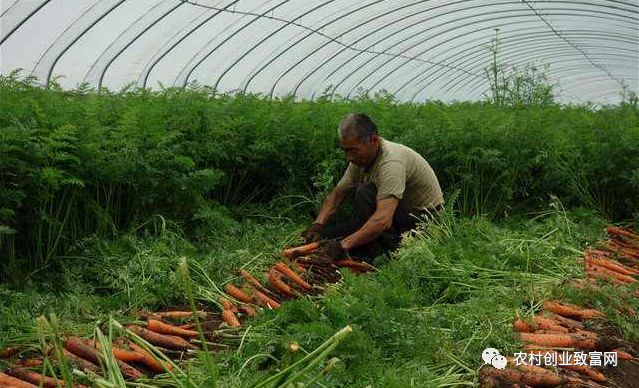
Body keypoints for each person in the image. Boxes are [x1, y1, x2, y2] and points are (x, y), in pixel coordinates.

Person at [303, 113, 444, 262]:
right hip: (397, 214)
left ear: (374, 140)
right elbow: (337, 195)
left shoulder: (391, 163)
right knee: (329, 234)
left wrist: (342, 246)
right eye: (345, 151)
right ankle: (370, 247)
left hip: (423, 223)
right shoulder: (360, 159)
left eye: (353, 150)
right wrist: (317, 225)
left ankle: (391, 256)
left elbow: (383, 220)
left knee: (364, 193)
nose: (349, 157)